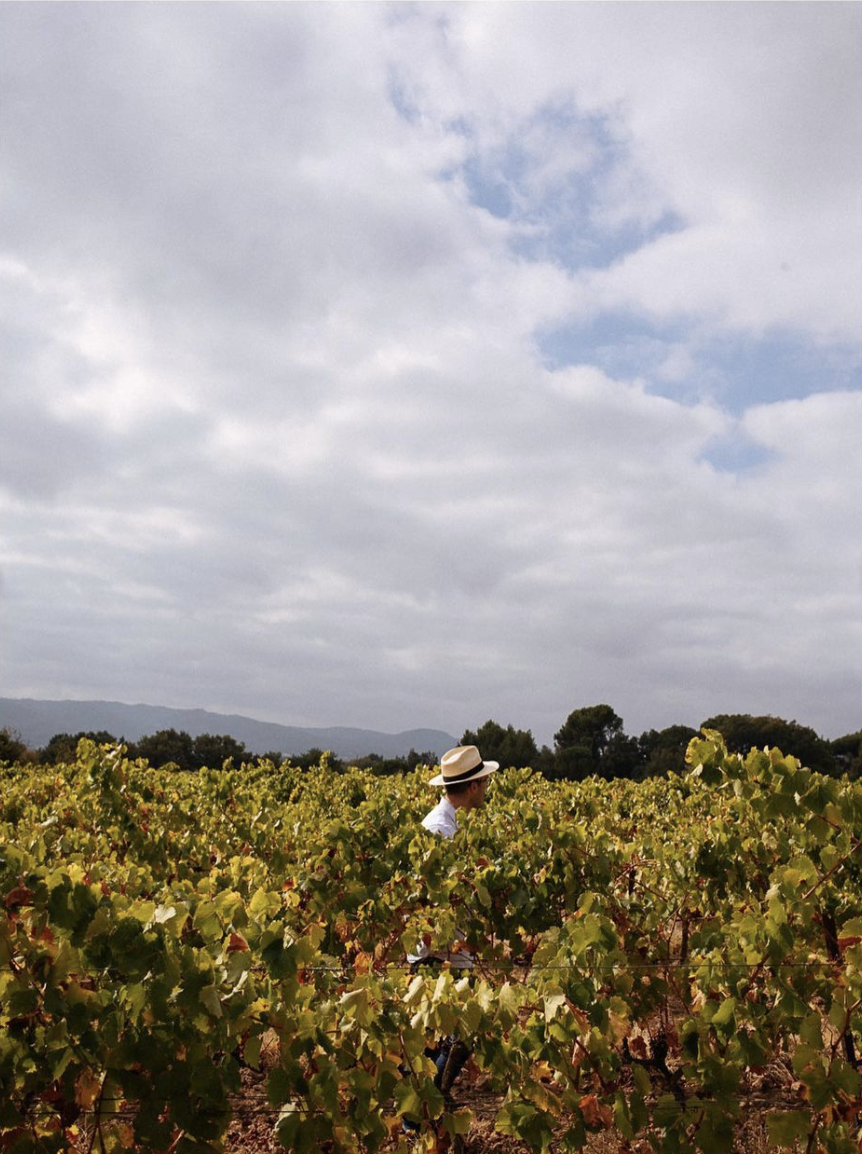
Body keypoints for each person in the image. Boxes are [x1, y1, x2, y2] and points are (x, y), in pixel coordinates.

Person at [403, 746, 498, 1130]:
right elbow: (430, 901)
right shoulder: (439, 830)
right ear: (473, 786)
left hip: (452, 952)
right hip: (437, 955)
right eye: (484, 781)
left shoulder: (457, 824)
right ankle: (417, 1118)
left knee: (455, 1036)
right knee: (445, 1039)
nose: (488, 785)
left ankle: (429, 1106)